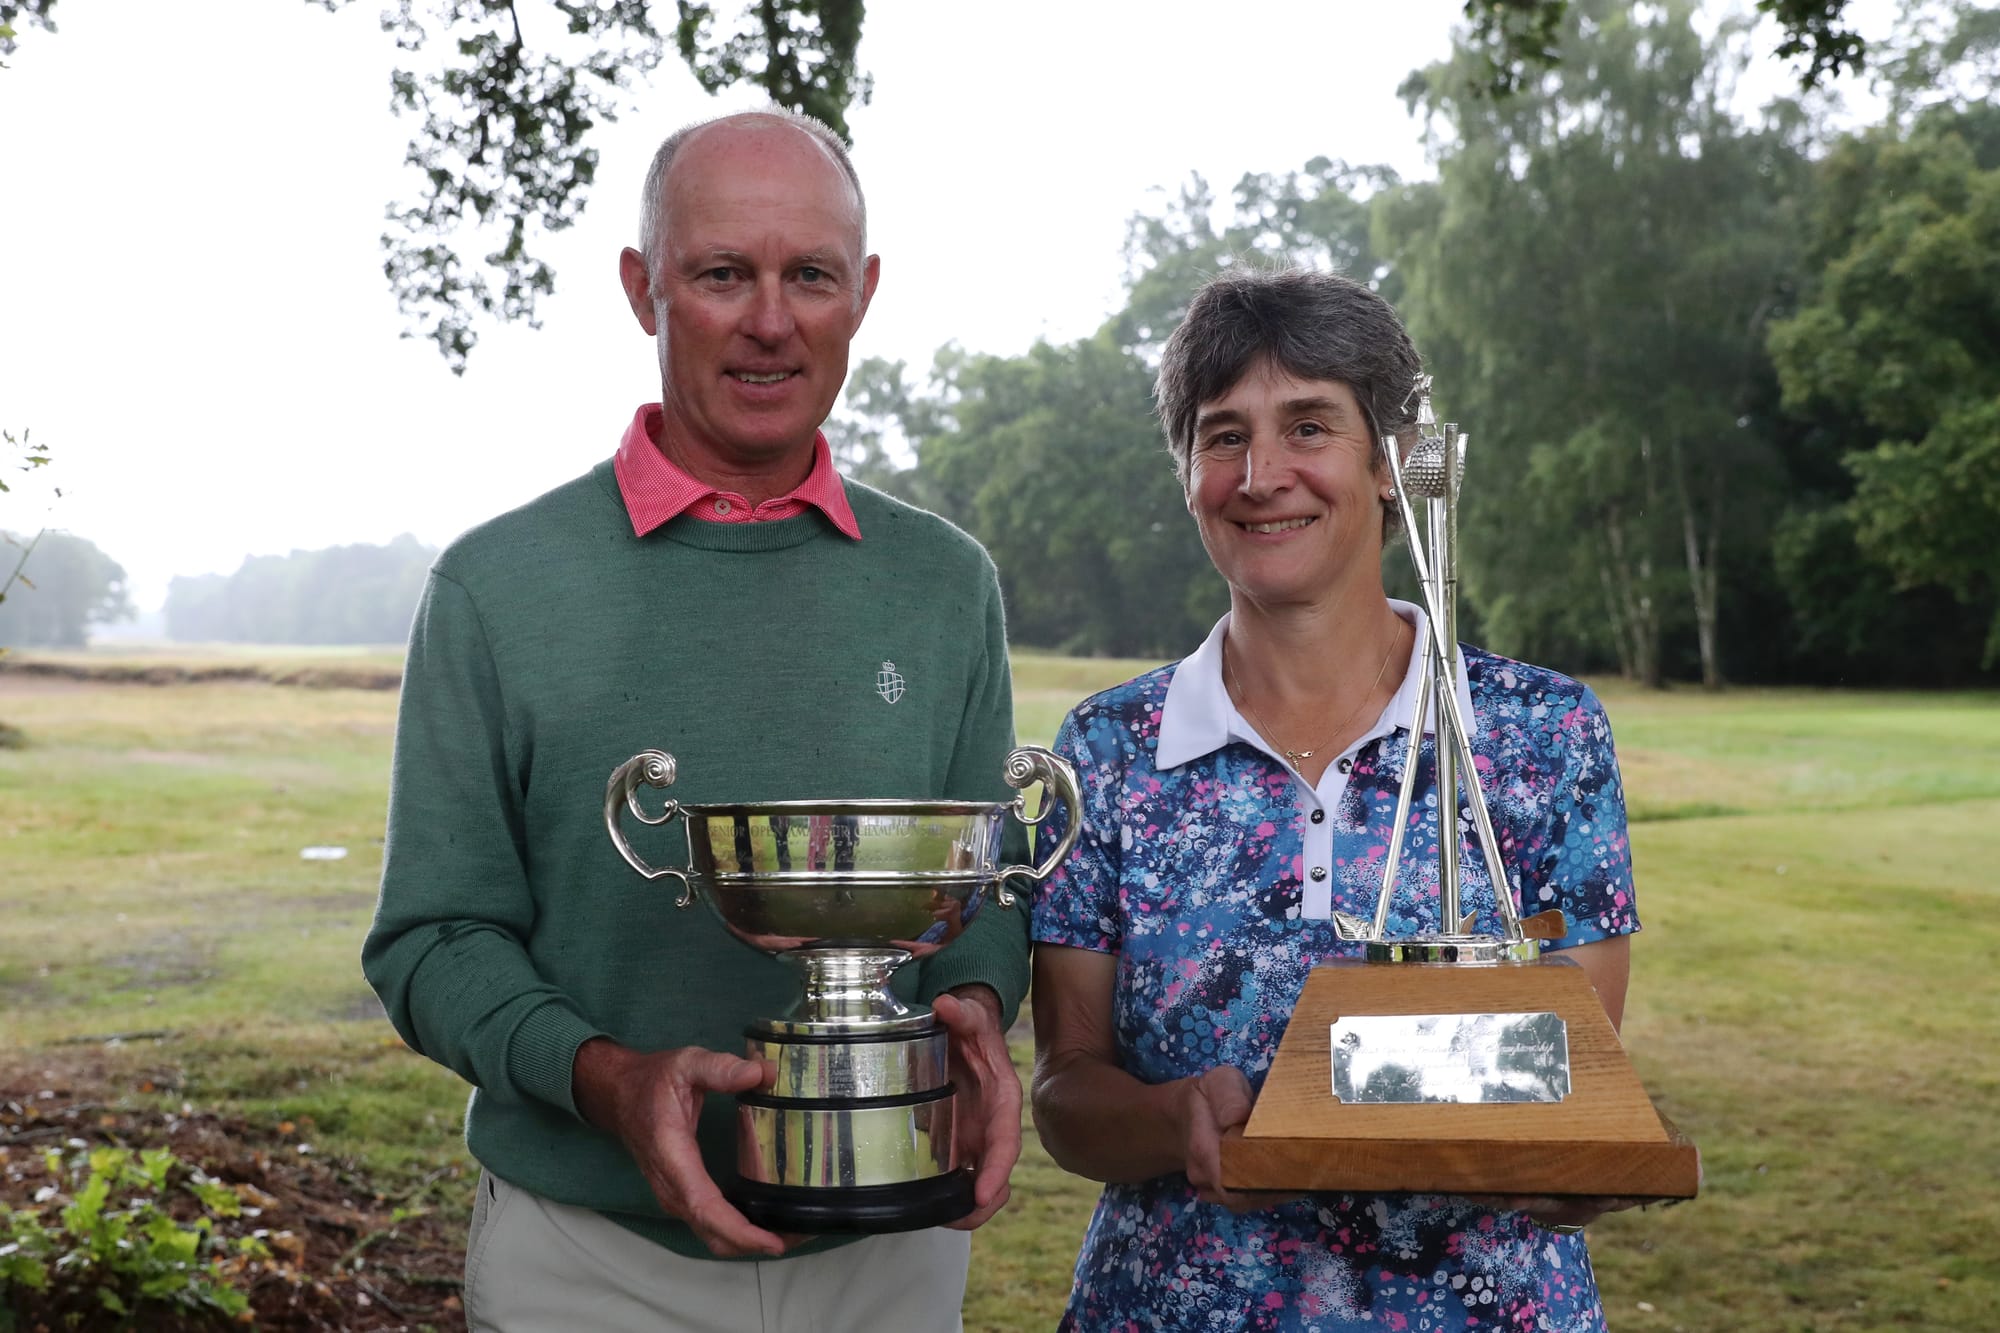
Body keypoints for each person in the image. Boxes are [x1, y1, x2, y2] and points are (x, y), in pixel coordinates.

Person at [362, 108, 1028, 1333]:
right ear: (642, 287)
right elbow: (432, 938)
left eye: (809, 276)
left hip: (888, 1253)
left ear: (863, 293)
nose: (770, 321)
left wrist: (977, 1015)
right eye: (723, 273)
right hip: (590, 1258)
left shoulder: (945, 581)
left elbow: (984, 895)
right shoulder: (497, 584)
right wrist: (608, 1082)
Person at [1029, 267, 1639, 1331]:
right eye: (1221, 436)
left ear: (1391, 464)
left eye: (1306, 425)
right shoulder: (1108, 751)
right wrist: (1173, 1120)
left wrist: (1571, 1161)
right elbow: (1066, 1094)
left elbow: (1578, 1076)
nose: (1261, 474)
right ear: (1185, 471)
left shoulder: (1542, 734)